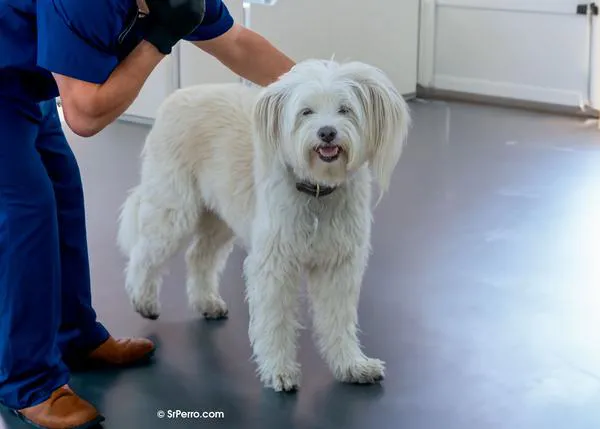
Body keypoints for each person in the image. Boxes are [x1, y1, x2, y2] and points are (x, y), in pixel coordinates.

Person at [0, 0, 295, 427]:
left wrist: (319, 89)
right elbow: (83, 114)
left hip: (28, 84)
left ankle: (75, 338)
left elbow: (237, 43)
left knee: (63, 196)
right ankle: (26, 382)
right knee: (27, 212)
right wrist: (157, 40)